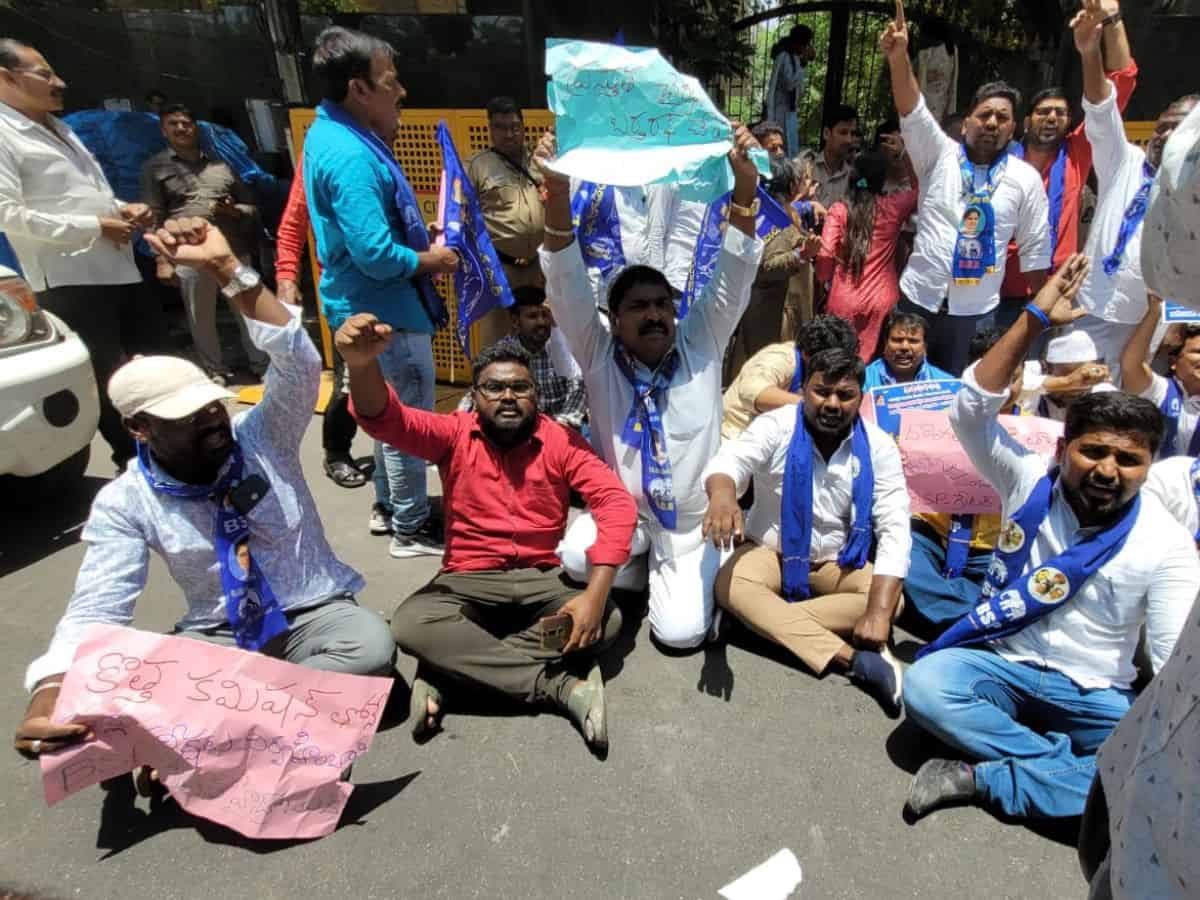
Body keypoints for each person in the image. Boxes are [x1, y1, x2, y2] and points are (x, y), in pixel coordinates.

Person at [14, 217, 397, 764]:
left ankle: (216, 729)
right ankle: (273, 719)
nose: (212, 421)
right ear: (139, 428)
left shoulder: (261, 435)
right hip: (220, 633)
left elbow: (298, 362)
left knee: (368, 650)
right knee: (125, 688)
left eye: (211, 405)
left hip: (314, 612)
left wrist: (226, 269)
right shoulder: (126, 502)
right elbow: (96, 608)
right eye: (187, 418)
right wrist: (50, 691)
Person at [901, 254, 1199, 821]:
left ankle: (984, 778)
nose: (1108, 470)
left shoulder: (1166, 544)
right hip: (1002, 662)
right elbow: (970, 411)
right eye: (1094, 452)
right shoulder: (1027, 478)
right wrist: (1035, 316)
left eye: (1128, 459)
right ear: (1063, 450)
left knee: (1155, 755)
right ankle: (1074, 776)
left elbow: (1164, 662)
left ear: (1149, 464)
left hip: (1094, 693)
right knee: (927, 687)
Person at [341, 322, 637, 752]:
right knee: (411, 624)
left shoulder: (561, 440)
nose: (508, 396)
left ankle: (450, 672)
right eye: (494, 388)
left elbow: (614, 502)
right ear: (476, 396)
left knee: (605, 619)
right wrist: (361, 363)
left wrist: (595, 592)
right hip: (467, 577)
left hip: (542, 577)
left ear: (535, 393)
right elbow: (386, 419)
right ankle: (557, 687)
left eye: (520, 386)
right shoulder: (453, 434)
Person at [543, 124, 765, 650]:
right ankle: (640, 571)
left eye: (662, 304)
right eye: (638, 307)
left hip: (691, 524)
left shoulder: (702, 341)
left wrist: (745, 188)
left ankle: (683, 579)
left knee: (681, 636)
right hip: (626, 516)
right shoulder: (597, 353)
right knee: (574, 557)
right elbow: (567, 278)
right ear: (614, 319)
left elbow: (733, 274)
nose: (654, 315)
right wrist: (555, 190)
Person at [302, 26, 458, 558]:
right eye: (390, 82)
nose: (402, 91)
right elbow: (375, 253)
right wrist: (431, 259)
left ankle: (391, 508)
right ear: (358, 89)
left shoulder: (336, 136)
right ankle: (411, 527)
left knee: (383, 417)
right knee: (407, 424)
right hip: (387, 313)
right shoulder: (350, 154)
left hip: (367, 308)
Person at [704, 348, 911, 716]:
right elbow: (731, 461)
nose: (832, 403)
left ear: (859, 398)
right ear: (804, 390)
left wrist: (878, 615)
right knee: (731, 584)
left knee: (891, 602)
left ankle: (753, 621)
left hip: (839, 563)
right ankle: (855, 661)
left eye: (845, 395)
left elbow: (895, 526)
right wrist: (723, 497)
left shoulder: (878, 446)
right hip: (769, 553)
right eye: (821, 392)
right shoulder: (777, 425)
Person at [0, 38, 155, 467]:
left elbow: (87, 194)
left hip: (119, 267)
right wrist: (95, 227)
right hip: (71, 278)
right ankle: (136, 461)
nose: (59, 82)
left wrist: (123, 209)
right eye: (44, 74)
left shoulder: (61, 127)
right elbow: (7, 214)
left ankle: (174, 451)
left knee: (152, 363)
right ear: (5, 78)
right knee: (107, 378)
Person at [880, 7, 1050, 375]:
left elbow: (1036, 254)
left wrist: (1041, 316)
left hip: (975, 314)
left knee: (961, 396)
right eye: (984, 115)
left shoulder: (1025, 180)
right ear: (966, 122)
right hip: (918, 302)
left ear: (1014, 128)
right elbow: (912, 109)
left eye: (1002, 118)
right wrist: (898, 58)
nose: (991, 123)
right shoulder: (937, 155)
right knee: (904, 393)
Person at [1070, 1, 1199, 382]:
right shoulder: (1123, 161)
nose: (1166, 137)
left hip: (1155, 326)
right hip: (1092, 311)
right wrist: (1089, 51)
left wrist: (1182, 323)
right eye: (1163, 127)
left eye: (1180, 131)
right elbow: (1100, 106)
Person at [996, 0, 1136, 332]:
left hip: (1056, 290)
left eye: (1060, 112)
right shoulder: (1001, 160)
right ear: (1026, 121)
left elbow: (1120, 85)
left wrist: (1112, 20)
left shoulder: (1076, 152)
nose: (1052, 117)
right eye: (1043, 111)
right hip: (996, 292)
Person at [903, 327, 1026, 634]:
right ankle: (977, 618)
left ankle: (945, 613)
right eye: (996, 377)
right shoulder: (933, 419)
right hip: (934, 532)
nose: (1006, 388)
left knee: (1022, 585)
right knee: (901, 560)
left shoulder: (1038, 434)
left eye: (1014, 378)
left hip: (994, 546)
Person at [141, 103, 266, 382]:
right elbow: (154, 216)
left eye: (186, 123)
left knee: (248, 309)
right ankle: (215, 371)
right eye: (174, 124)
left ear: (196, 128)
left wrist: (233, 210)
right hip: (190, 256)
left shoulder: (221, 166)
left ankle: (261, 365)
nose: (181, 128)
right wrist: (162, 261)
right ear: (164, 130)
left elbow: (251, 207)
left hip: (232, 253)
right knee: (201, 318)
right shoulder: (155, 168)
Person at [274, 158, 366, 489]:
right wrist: (287, 275)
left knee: (401, 375)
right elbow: (292, 223)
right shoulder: (320, 153)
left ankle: (401, 451)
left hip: (393, 289)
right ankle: (337, 452)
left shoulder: (377, 147)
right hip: (346, 295)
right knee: (349, 380)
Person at [817, 150, 919, 360]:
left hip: (843, 298)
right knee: (878, 363)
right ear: (883, 179)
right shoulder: (893, 206)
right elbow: (921, 189)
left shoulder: (839, 210)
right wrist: (905, 153)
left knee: (839, 362)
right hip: (883, 300)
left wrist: (824, 280)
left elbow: (825, 254)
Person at [729, 155, 819, 376]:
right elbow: (768, 266)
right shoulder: (777, 220)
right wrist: (802, 254)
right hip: (775, 319)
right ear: (791, 186)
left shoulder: (759, 214)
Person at [467, 96, 544, 351]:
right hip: (501, 269)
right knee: (497, 339)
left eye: (515, 126)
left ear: (523, 127)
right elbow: (462, 214)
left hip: (538, 269)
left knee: (540, 332)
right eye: (500, 127)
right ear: (490, 130)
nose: (509, 134)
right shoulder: (478, 166)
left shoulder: (539, 161)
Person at [457, 286, 587, 430]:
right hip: (520, 430)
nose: (542, 322)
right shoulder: (502, 353)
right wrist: (460, 425)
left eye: (545, 315)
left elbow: (578, 386)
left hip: (561, 427)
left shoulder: (562, 347)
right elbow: (476, 393)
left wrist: (563, 424)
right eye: (533, 316)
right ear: (515, 321)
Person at [721, 313, 859, 440]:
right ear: (808, 355)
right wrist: (813, 404)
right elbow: (753, 392)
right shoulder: (781, 357)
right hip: (735, 435)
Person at [1121, 293, 1200, 457]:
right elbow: (1131, 364)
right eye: (1198, 352)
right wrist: (1154, 312)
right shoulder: (1159, 390)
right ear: (1173, 361)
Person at [1018, 329, 1111, 421]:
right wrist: (1067, 382)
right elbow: (1016, 385)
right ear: (1046, 367)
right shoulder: (1029, 371)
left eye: (1084, 378)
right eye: (1070, 375)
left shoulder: (1101, 389)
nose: (1076, 388)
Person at [862, 309, 952, 390]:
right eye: (897, 340)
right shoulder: (864, 380)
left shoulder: (946, 384)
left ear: (925, 347)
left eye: (913, 341)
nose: (904, 347)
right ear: (885, 344)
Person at [765, 25, 815, 157]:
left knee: (791, 149)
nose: (805, 48)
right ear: (797, 42)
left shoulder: (794, 58)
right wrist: (803, 63)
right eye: (804, 45)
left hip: (790, 111)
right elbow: (789, 84)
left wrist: (802, 62)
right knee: (779, 148)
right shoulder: (783, 56)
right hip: (779, 112)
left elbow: (799, 88)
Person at [800, 104, 859, 209]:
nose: (849, 140)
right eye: (843, 132)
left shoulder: (854, 177)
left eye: (853, 133)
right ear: (826, 133)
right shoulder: (805, 165)